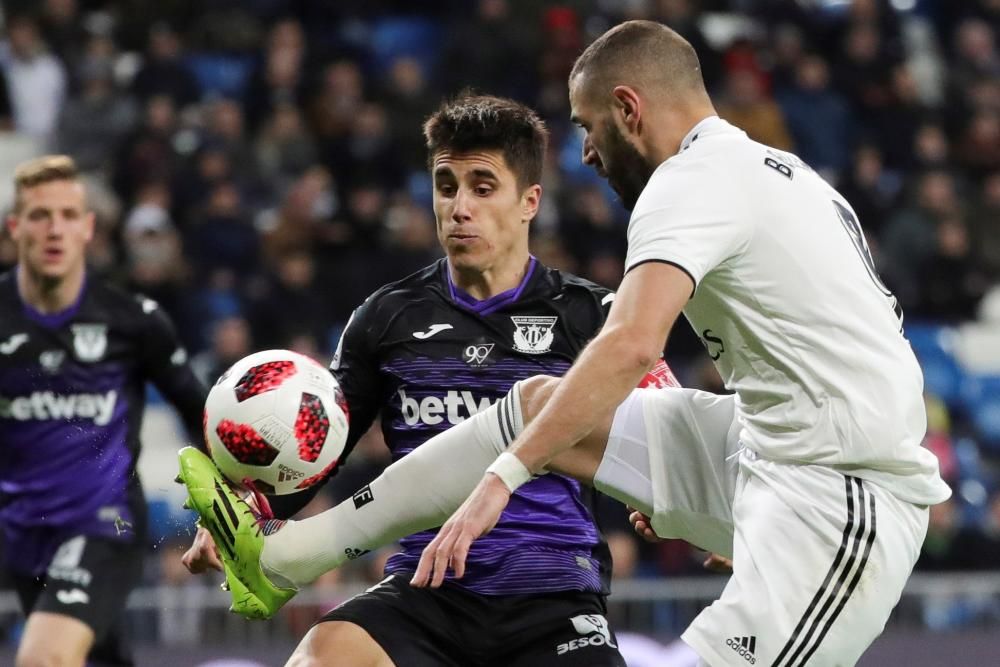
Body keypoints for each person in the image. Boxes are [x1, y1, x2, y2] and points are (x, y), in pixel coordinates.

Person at [180, 21, 949, 667]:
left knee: (538, 428)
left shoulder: (685, 184)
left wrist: (501, 479)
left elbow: (628, 345)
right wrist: (722, 492)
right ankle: (284, 556)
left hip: (841, 497)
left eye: (588, 127)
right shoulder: (788, 177)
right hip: (769, 445)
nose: (586, 150)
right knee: (537, 405)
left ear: (628, 107)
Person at [181, 94, 676, 666]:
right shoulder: (386, 318)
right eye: (446, 185)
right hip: (425, 594)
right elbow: (318, 451)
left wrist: (670, 511)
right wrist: (247, 511)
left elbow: (669, 438)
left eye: (483, 187)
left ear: (529, 202)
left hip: (553, 599)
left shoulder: (595, 317)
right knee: (324, 654)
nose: (460, 207)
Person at [0, 155, 206, 667]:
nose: (55, 230)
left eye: (69, 215)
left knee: (44, 656)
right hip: (20, 529)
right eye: (41, 215)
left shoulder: (132, 321)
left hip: (103, 524)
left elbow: (208, 421)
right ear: (15, 227)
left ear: (88, 228)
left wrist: (226, 512)